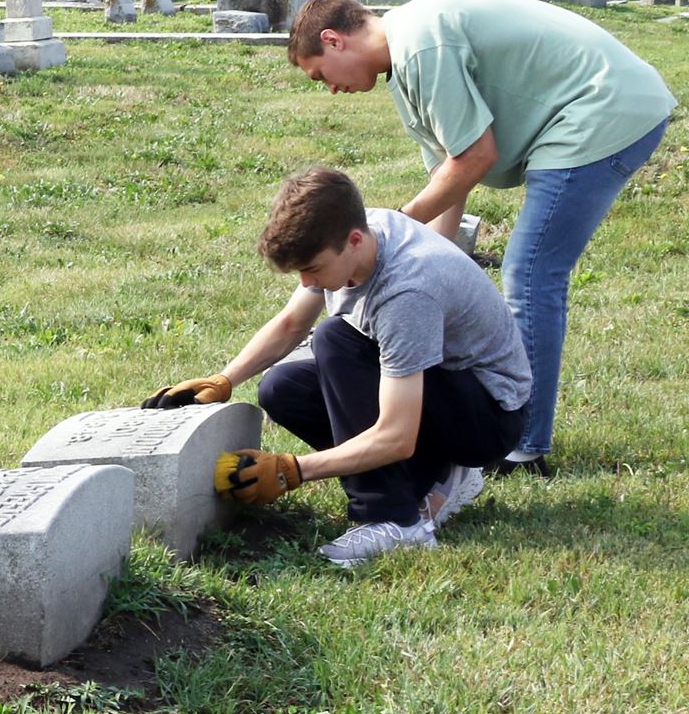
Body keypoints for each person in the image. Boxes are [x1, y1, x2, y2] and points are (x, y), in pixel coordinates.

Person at [288, 0, 673, 472]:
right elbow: (451, 176)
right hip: (594, 109)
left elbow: (475, 157)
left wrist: (384, 232)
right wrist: (424, 258)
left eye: (320, 73)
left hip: (603, 108)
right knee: (526, 270)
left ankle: (524, 444)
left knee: (530, 273)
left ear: (333, 40)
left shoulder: (422, 44)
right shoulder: (407, 66)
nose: (329, 88)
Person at [154, 167, 531, 568]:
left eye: (312, 269)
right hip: (444, 395)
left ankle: (395, 521)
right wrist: (224, 379)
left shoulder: (407, 292)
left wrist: (291, 470)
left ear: (353, 241)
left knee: (335, 340)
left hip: (488, 417)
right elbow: (291, 324)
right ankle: (435, 478)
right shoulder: (355, 236)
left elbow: (398, 436)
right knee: (282, 388)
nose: (306, 281)